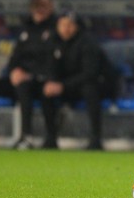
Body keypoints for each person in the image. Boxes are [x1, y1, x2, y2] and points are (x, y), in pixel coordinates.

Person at [0, 0, 58, 149]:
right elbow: (15, 56)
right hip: (21, 78)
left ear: (51, 7)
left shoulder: (55, 29)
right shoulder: (25, 29)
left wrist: (32, 75)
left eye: (43, 6)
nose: (39, 10)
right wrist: (14, 71)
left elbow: (54, 60)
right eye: (36, 6)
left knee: (24, 87)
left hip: (41, 81)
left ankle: (26, 136)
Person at [42, 11, 119, 150]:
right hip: (67, 86)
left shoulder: (87, 42)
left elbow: (90, 73)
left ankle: (95, 139)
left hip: (96, 85)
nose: (66, 28)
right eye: (62, 25)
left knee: (90, 90)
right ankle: (50, 138)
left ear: (76, 26)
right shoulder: (53, 41)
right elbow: (49, 66)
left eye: (70, 25)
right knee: (46, 91)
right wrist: (52, 82)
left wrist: (62, 86)